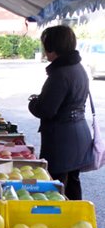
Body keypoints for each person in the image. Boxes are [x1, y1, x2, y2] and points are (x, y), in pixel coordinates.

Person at [28, 25, 91, 200]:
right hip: (77, 134)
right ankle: (77, 217)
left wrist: (33, 103)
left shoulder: (60, 73)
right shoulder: (78, 68)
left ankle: (61, 220)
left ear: (52, 47)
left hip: (62, 140)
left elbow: (46, 110)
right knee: (72, 181)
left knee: (55, 186)